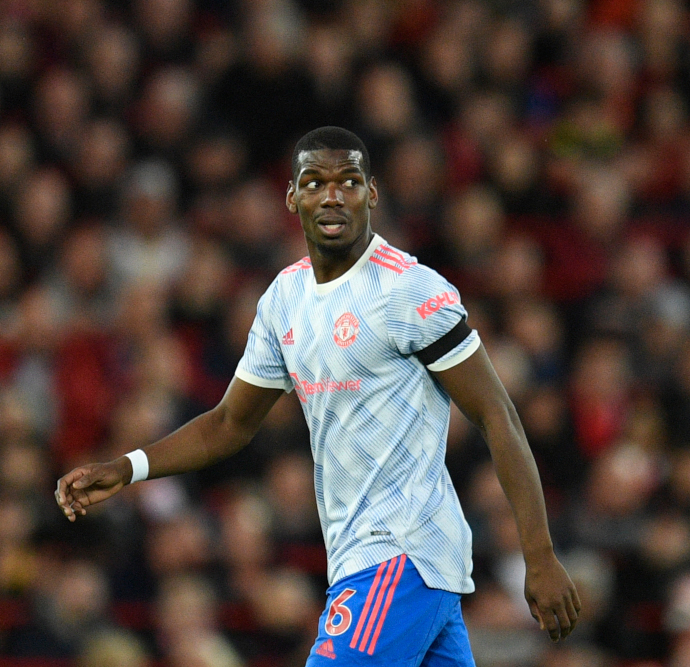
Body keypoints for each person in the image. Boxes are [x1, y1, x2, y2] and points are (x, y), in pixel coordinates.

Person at [55, 127, 581, 666]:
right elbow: (229, 423)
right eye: (314, 182)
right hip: (373, 561)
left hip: (399, 553)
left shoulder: (410, 290)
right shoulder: (285, 299)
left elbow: (498, 416)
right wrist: (128, 467)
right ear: (292, 197)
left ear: (371, 194)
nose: (332, 196)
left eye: (348, 181)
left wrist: (538, 556)